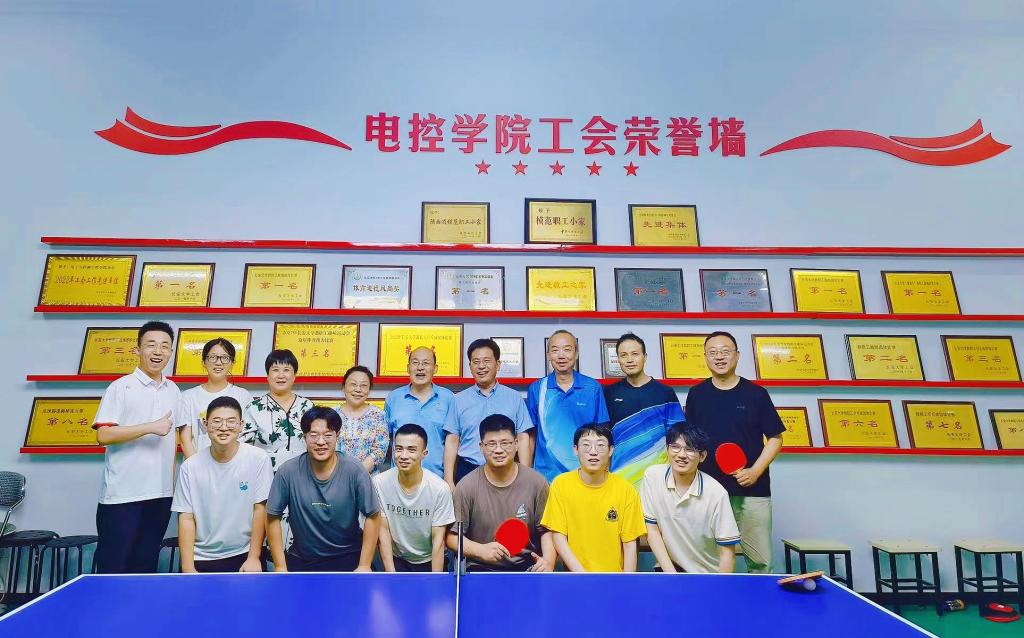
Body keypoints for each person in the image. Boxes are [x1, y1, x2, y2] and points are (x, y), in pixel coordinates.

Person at [684, 331, 785, 574]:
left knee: (760, 563)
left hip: (752, 491)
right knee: (706, 560)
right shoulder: (696, 394)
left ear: (737, 356)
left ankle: (758, 600)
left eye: (725, 351)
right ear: (705, 357)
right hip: (707, 490)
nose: (719, 357)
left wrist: (755, 471)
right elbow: (691, 442)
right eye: (713, 352)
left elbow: (775, 438)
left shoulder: (756, 394)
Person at [92, 321, 182, 573]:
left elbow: (176, 441)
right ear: (137, 350)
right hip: (123, 496)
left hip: (160, 495)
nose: (158, 351)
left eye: (164, 346)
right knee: (114, 568)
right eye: (151, 345)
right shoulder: (121, 387)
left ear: (171, 352)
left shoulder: (174, 390)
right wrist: (150, 427)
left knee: (146, 566)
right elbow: (103, 434)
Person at [266, 407, 380, 572]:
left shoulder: (355, 470)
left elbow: (373, 516)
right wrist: (280, 566)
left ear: (337, 436)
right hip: (303, 558)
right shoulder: (288, 471)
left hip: (349, 556)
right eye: (313, 435)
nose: (321, 442)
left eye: (327, 435)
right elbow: (272, 516)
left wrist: (364, 565)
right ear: (304, 437)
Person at [172, 396, 272, 573]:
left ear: (241, 425)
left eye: (231, 421)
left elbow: (260, 509)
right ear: (205, 425)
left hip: (245, 554)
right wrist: (188, 568)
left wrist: (254, 557)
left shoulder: (258, 458)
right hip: (201, 557)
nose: (224, 427)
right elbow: (186, 518)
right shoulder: (190, 467)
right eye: (217, 421)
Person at [447, 414, 554, 572]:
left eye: (505, 443)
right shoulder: (466, 486)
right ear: (481, 447)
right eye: (491, 444)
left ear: (516, 444)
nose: (498, 450)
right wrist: (480, 550)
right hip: (480, 567)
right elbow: (452, 538)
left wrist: (549, 561)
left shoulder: (537, 483)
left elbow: (546, 531)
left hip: (527, 567)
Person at [540, 423, 646, 573]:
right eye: (586, 445)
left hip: (613, 579)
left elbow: (629, 544)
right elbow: (558, 537)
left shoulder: (626, 490)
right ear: (575, 449)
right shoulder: (560, 485)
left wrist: (625, 582)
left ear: (611, 450)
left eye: (600, 445)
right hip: (576, 578)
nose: (593, 452)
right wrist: (583, 576)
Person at [641, 423, 740, 573]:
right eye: (675, 447)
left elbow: (727, 554)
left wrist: (719, 586)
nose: (681, 455)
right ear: (667, 450)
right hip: (669, 569)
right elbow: (652, 530)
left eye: (690, 449)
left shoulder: (717, 494)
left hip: (706, 575)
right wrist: (671, 575)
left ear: (702, 456)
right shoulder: (652, 477)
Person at [445, 338, 534, 487]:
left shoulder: (514, 397)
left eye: (486, 361)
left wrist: (525, 476)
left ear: (498, 365)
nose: (481, 366)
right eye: (476, 362)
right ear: (470, 366)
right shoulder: (458, 400)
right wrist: (449, 481)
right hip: (468, 470)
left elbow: (523, 438)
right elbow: (452, 441)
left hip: (507, 470)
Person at [526, 330, 609, 482]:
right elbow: (530, 435)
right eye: (555, 350)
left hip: (585, 474)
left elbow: (603, 434)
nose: (561, 355)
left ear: (576, 354)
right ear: (548, 355)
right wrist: (527, 474)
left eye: (567, 349)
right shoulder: (537, 389)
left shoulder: (592, 388)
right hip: (546, 476)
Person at [602, 333, 684, 485]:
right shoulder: (609, 393)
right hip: (621, 475)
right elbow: (604, 436)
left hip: (659, 475)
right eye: (623, 355)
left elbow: (678, 435)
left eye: (635, 354)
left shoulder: (665, 392)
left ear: (645, 357)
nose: (629, 360)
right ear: (618, 359)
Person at [374, 423, 455, 572]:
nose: (404, 456)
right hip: (397, 559)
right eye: (399, 449)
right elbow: (383, 532)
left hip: (430, 560)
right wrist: (391, 575)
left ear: (424, 453)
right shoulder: (379, 483)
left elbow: (438, 542)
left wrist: (435, 581)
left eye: (411, 450)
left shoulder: (439, 489)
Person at [384, 346, 456, 481]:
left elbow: (452, 441)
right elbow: (386, 438)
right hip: (399, 478)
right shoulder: (393, 398)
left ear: (435, 368)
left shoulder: (448, 398)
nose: (420, 368)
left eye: (426, 363)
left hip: (436, 478)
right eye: (415, 363)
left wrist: (449, 479)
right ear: (408, 368)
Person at [176, 338, 252, 458]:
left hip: (234, 464)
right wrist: (197, 466)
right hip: (198, 464)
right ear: (204, 362)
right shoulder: (188, 397)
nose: (218, 362)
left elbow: (246, 437)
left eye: (225, 358)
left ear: (232, 363)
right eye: (212, 357)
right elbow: (186, 441)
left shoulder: (243, 396)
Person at [242, 349, 314, 471]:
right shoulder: (253, 408)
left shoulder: (307, 406)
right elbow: (244, 449)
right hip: (265, 473)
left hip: (303, 473)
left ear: (294, 376)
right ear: (268, 376)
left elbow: (316, 441)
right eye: (275, 370)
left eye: (286, 370)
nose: (281, 375)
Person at [335, 365, 389, 473]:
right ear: (343, 387)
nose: (358, 389)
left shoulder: (378, 415)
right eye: (353, 384)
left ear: (369, 389)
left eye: (363, 385)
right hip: (336, 475)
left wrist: (360, 474)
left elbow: (381, 449)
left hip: (368, 476)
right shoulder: (332, 415)